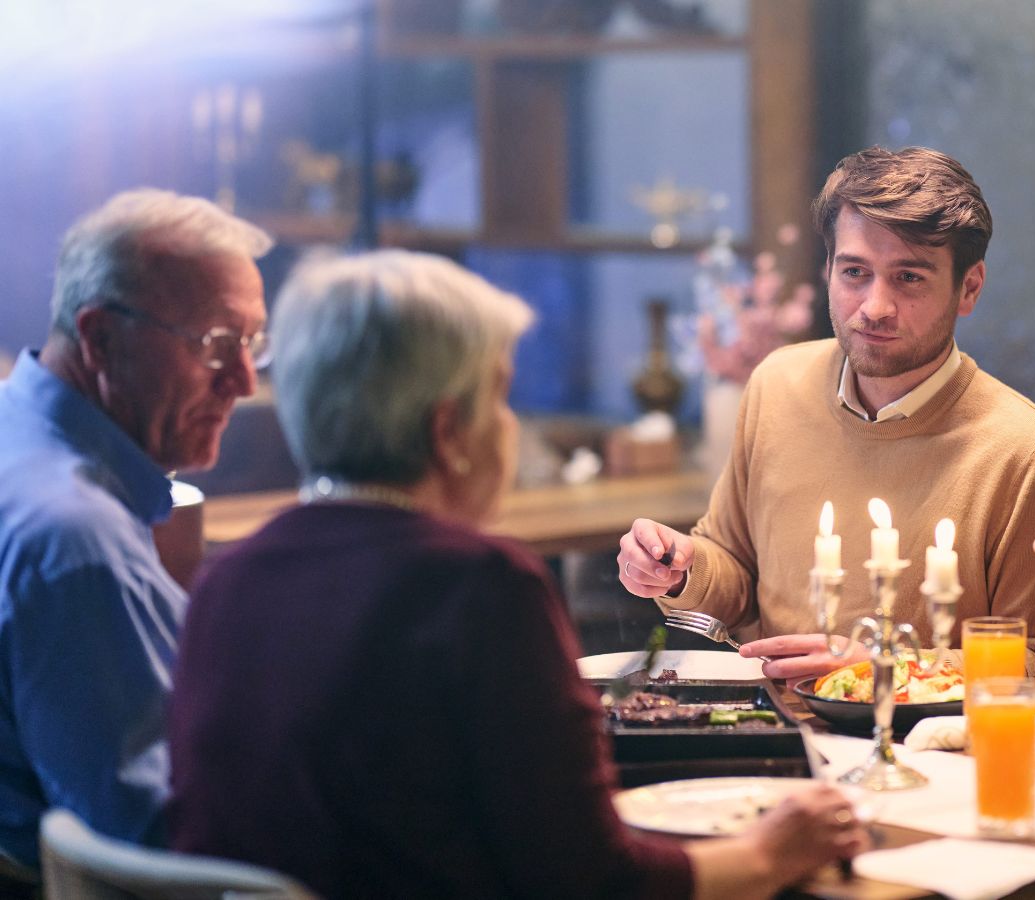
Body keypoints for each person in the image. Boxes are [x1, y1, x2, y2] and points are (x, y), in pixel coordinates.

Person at [168, 250, 864, 899]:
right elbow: (591, 880)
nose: (508, 427)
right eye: (499, 398)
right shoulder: (479, 587)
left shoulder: (228, 580)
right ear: (448, 431)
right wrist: (774, 850)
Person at [619, 147, 1035, 711]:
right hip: (776, 742)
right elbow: (735, 569)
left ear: (969, 288)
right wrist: (680, 568)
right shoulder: (777, 384)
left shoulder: (1027, 454)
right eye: (855, 272)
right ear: (828, 271)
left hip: (934, 769)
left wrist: (886, 673)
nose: (874, 306)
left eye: (909, 278)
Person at [0, 189, 270, 869]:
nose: (244, 381)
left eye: (252, 344)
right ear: (99, 337)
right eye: (215, 344)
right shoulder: (77, 542)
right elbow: (159, 835)